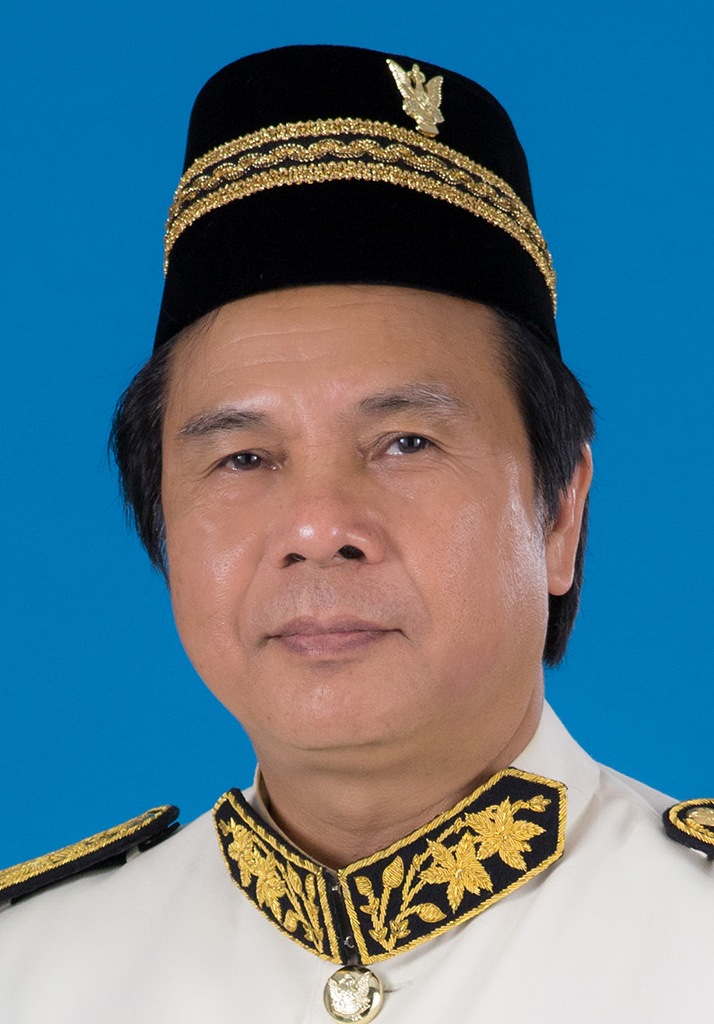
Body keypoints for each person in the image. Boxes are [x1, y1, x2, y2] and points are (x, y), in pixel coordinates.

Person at [0, 44, 711, 1024]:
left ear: (558, 512)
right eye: (244, 458)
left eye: (405, 442)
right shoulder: (32, 970)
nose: (317, 526)